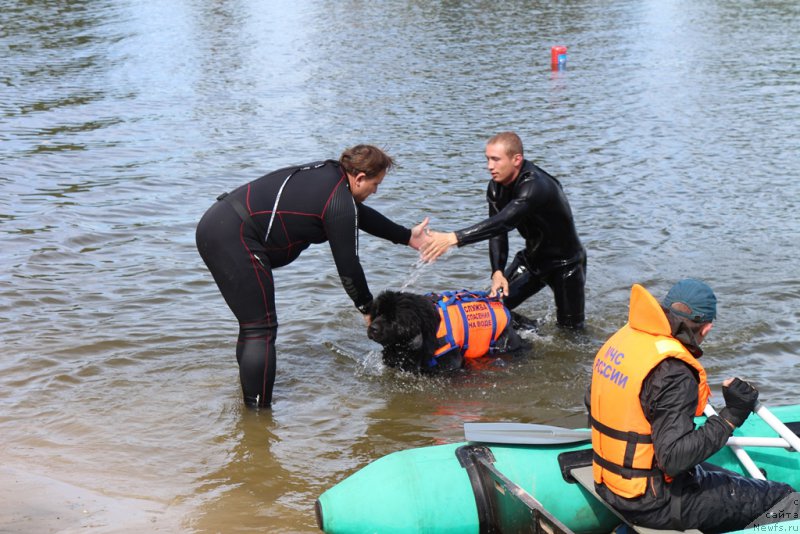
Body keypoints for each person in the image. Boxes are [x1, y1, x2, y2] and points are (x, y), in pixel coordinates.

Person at [196, 145, 430, 408]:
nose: (375, 191)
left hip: (218, 224)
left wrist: (407, 236)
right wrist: (367, 308)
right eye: (375, 184)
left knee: (253, 326)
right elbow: (349, 268)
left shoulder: (331, 176)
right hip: (235, 236)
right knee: (260, 328)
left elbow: (358, 215)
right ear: (360, 177)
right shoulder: (338, 200)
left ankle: (250, 412)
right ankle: (257, 416)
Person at [587, 279, 795, 532]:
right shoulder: (674, 372)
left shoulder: (625, 342)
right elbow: (674, 459)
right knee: (786, 500)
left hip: (609, 484)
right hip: (653, 503)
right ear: (706, 328)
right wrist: (732, 415)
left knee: (738, 483)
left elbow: (592, 401)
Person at [420, 132, 586, 328]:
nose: (490, 166)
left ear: (517, 160)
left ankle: (542, 336)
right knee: (492, 309)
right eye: (488, 159)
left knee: (571, 331)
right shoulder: (495, 188)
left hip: (566, 265)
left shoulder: (534, 186)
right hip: (532, 261)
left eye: (496, 159)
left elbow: (504, 222)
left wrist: (454, 238)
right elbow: (498, 232)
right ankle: (533, 331)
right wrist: (497, 271)